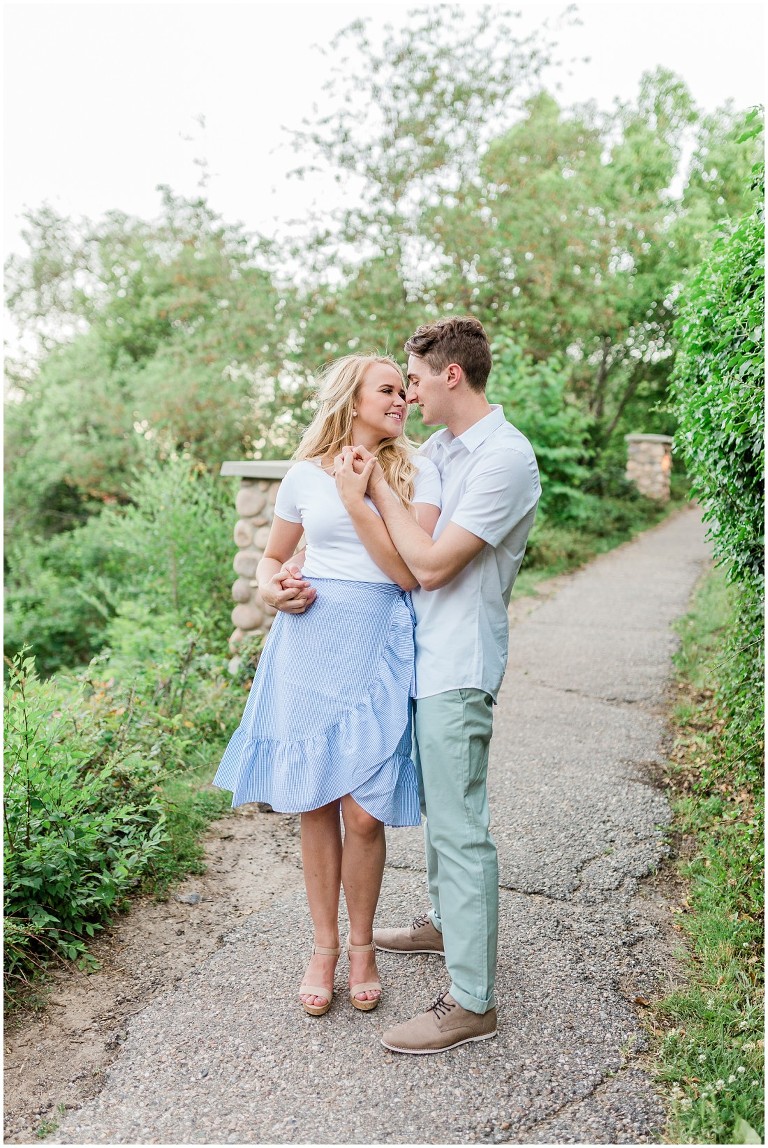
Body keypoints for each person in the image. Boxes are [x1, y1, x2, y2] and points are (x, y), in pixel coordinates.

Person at [213, 353, 441, 1018]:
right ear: (353, 397)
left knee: (365, 811)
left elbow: (407, 572)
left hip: (377, 639)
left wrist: (361, 495)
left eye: (405, 390)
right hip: (310, 641)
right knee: (315, 798)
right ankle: (324, 949)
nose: (401, 399)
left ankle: (364, 946)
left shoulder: (417, 470)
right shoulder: (304, 475)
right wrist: (270, 587)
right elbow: (272, 555)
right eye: (389, 390)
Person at [337, 316, 541, 1054]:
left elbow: (430, 565)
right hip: (421, 660)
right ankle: (446, 926)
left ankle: (472, 1003)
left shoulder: (505, 460)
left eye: (416, 380)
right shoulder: (445, 452)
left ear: (450, 375)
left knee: (459, 832)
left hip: (459, 665)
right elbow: (400, 551)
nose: (410, 394)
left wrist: (378, 497)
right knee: (439, 817)